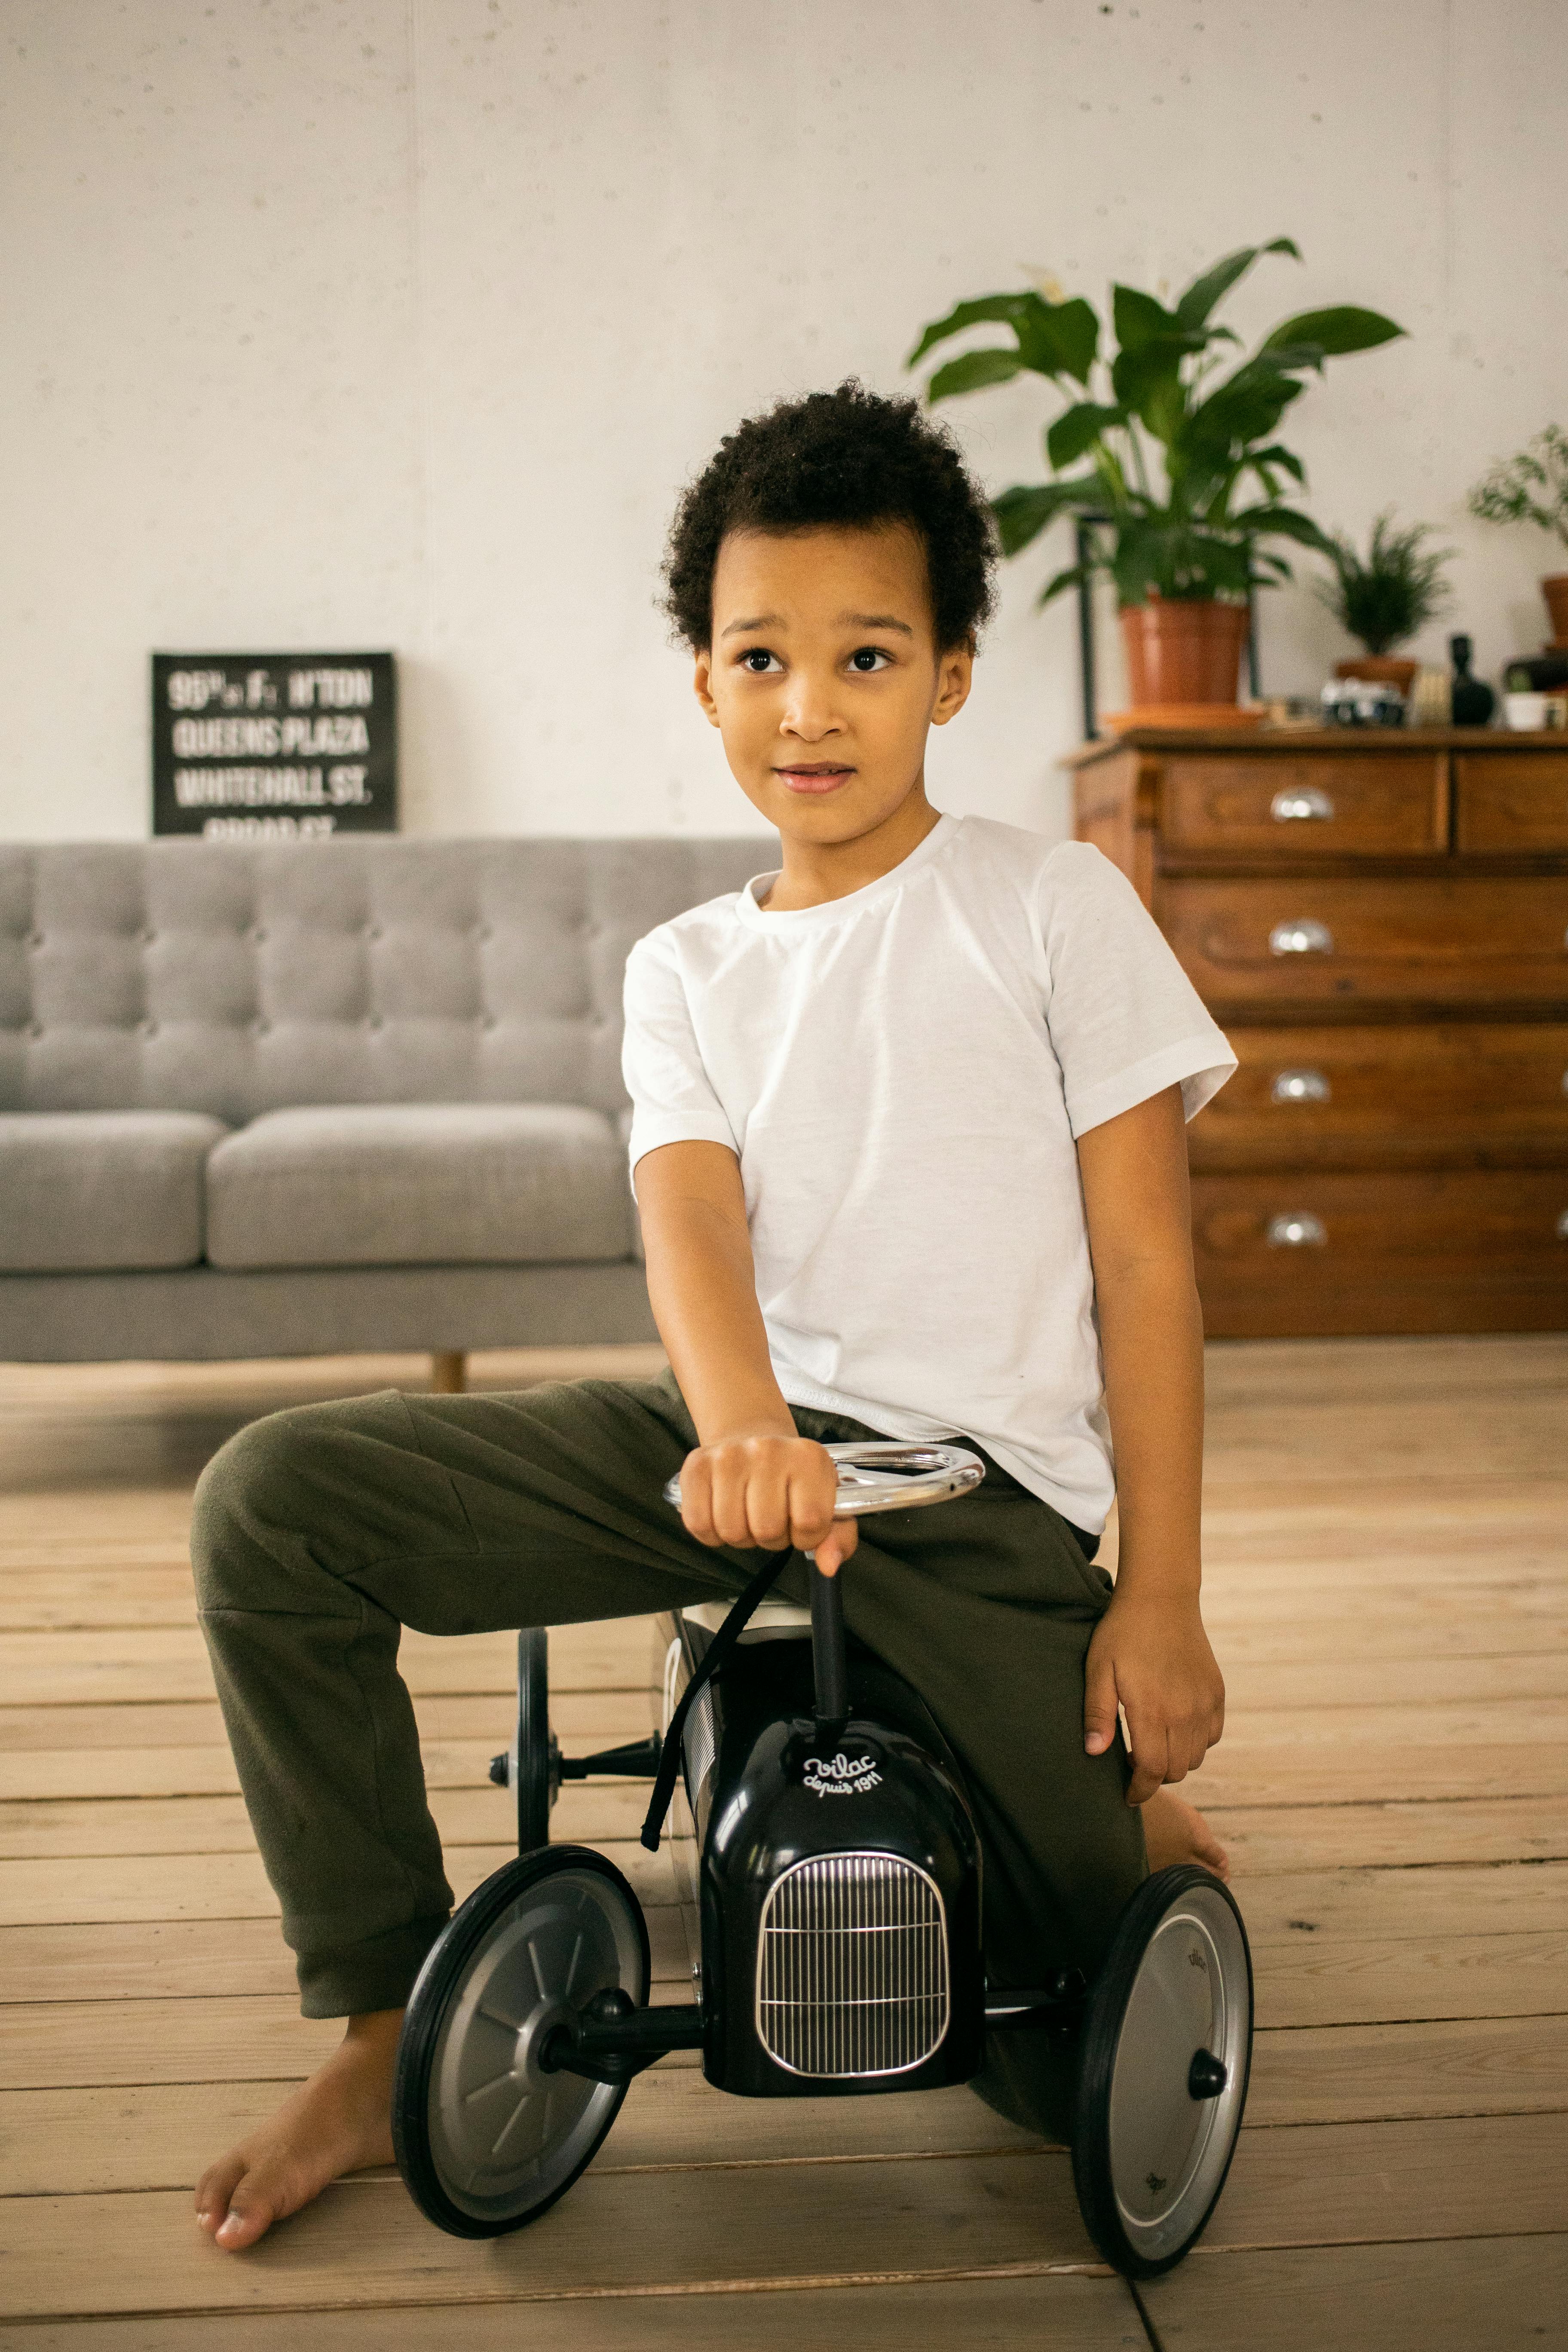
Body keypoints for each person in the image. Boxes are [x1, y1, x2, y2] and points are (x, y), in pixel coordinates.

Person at [193, 380, 1233, 2253]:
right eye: (762, 656)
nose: (810, 706)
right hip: (731, 1452)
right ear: (704, 684)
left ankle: (1112, 1819)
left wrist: (1157, 1594)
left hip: (976, 1506)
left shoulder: (1054, 903)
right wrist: (743, 1425)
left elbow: (1151, 1264)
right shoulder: (687, 964)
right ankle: (376, 2013)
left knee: (1045, 2042)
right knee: (275, 1502)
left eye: (866, 654)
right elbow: (688, 1216)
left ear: (953, 677)